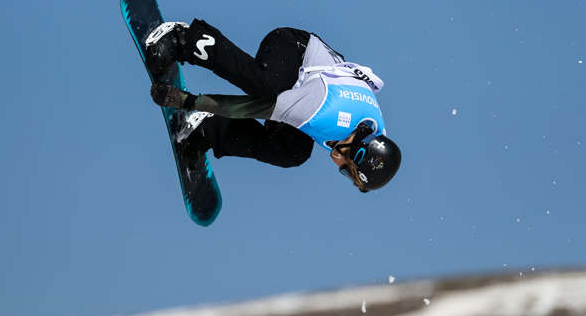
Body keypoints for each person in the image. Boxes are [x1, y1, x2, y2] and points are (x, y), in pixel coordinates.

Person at [145, 20, 401, 192]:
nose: (339, 167)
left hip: (303, 87)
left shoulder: (371, 133)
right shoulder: (323, 112)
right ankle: (184, 39)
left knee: (294, 153)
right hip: (292, 47)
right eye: (347, 169)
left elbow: (381, 157)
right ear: (356, 150)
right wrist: (185, 100)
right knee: (264, 86)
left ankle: (207, 130)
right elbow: (247, 108)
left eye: (345, 174)